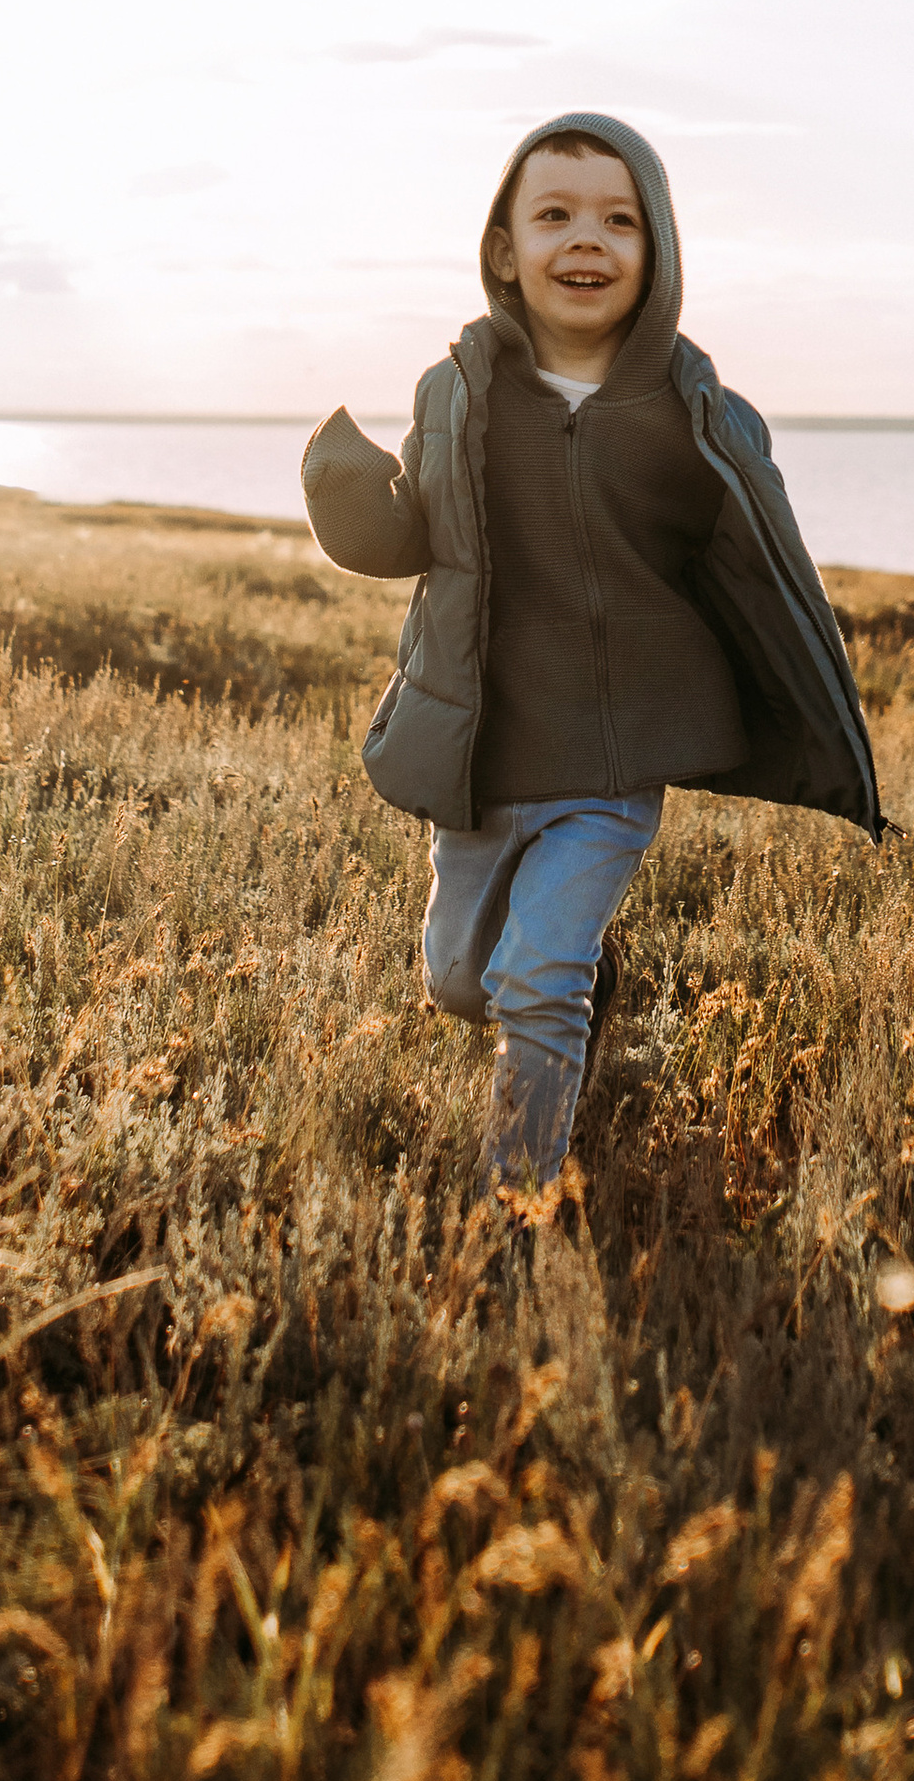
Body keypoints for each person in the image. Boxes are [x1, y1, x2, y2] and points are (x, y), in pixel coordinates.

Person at [301, 108, 881, 1189]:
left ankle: (516, 1197)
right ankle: (583, 984)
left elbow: (757, 565)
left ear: (656, 254)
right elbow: (413, 533)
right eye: (555, 214)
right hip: (488, 757)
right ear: (504, 253)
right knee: (460, 981)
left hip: (612, 768)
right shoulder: (455, 391)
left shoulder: (692, 410)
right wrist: (341, 491)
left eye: (619, 220)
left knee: (533, 978)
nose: (586, 239)